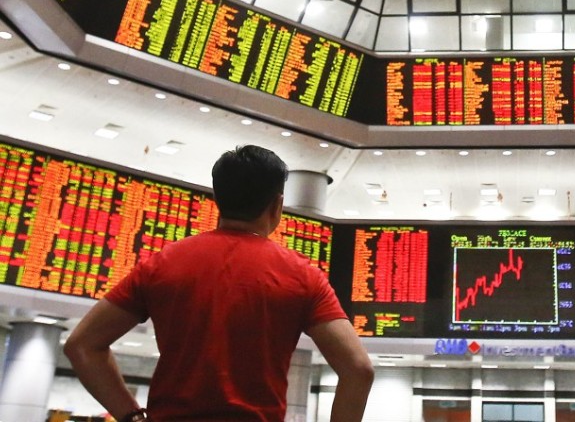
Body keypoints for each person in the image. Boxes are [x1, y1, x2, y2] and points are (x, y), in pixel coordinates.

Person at [64, 145, 374, 422]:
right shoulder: (302, 276)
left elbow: (82, 345)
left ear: (218, 199)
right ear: (277, 205)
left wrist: (131, 416)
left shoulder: (163, 263)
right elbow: (358, 370)